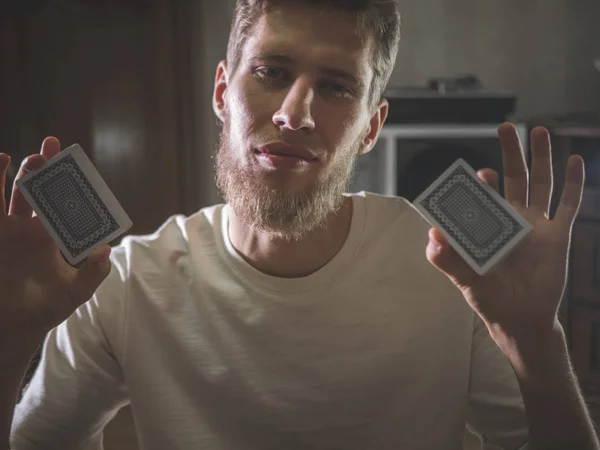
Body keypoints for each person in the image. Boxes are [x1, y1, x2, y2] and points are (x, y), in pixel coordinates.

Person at [1, 1, 599, 449]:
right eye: (271, 71)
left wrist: (535, 343)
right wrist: (9, 336)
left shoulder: (455, 271)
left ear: (370, 126)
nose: (294, 114)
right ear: (221, 91)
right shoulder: (126, 283)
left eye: (337, 87)